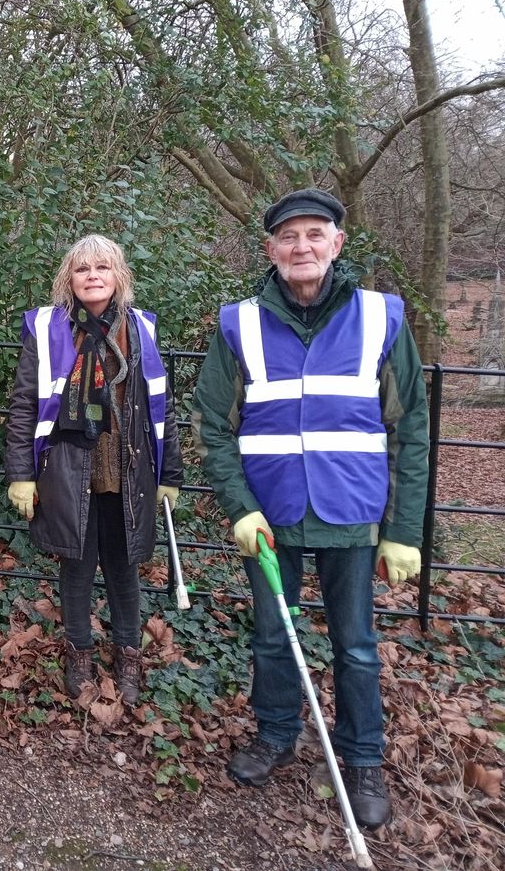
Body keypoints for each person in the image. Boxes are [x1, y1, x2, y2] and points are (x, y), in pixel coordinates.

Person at [192, 188, 429, 830]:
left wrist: (403, 529)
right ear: (271, 249)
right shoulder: (239, 323)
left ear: (336, 244)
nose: (301, 248)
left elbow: (410, 428)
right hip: (270, 515)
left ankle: (362, 758)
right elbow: (212, 421)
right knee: (274, 635)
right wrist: (238, 506)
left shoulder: (382, 317)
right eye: (288, 238)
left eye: (314, 235)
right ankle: (275, 734)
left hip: (352, 513)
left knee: (355, 645)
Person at [2, 235, 182, 706]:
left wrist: (171, 472)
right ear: (69, 278)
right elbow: (23, 403)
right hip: (67, 469)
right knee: (76, 567)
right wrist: (21, 472)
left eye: (102, 267)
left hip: (129, 472)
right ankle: (78, 650)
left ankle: (127, 653)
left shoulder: (141, 329)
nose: (93, 276)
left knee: (125, 568)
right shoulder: (48, 328)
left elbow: (162, 406)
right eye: (82, 269)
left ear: (119, 275)